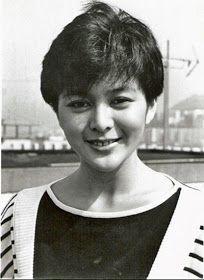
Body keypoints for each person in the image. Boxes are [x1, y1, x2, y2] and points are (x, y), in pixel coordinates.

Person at [1, 1, 203, 279]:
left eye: (119, 100)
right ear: (56, 111)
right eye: (79, 103)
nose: (100, 122)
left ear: (152, 105)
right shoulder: (20, 218)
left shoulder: (197, 219)